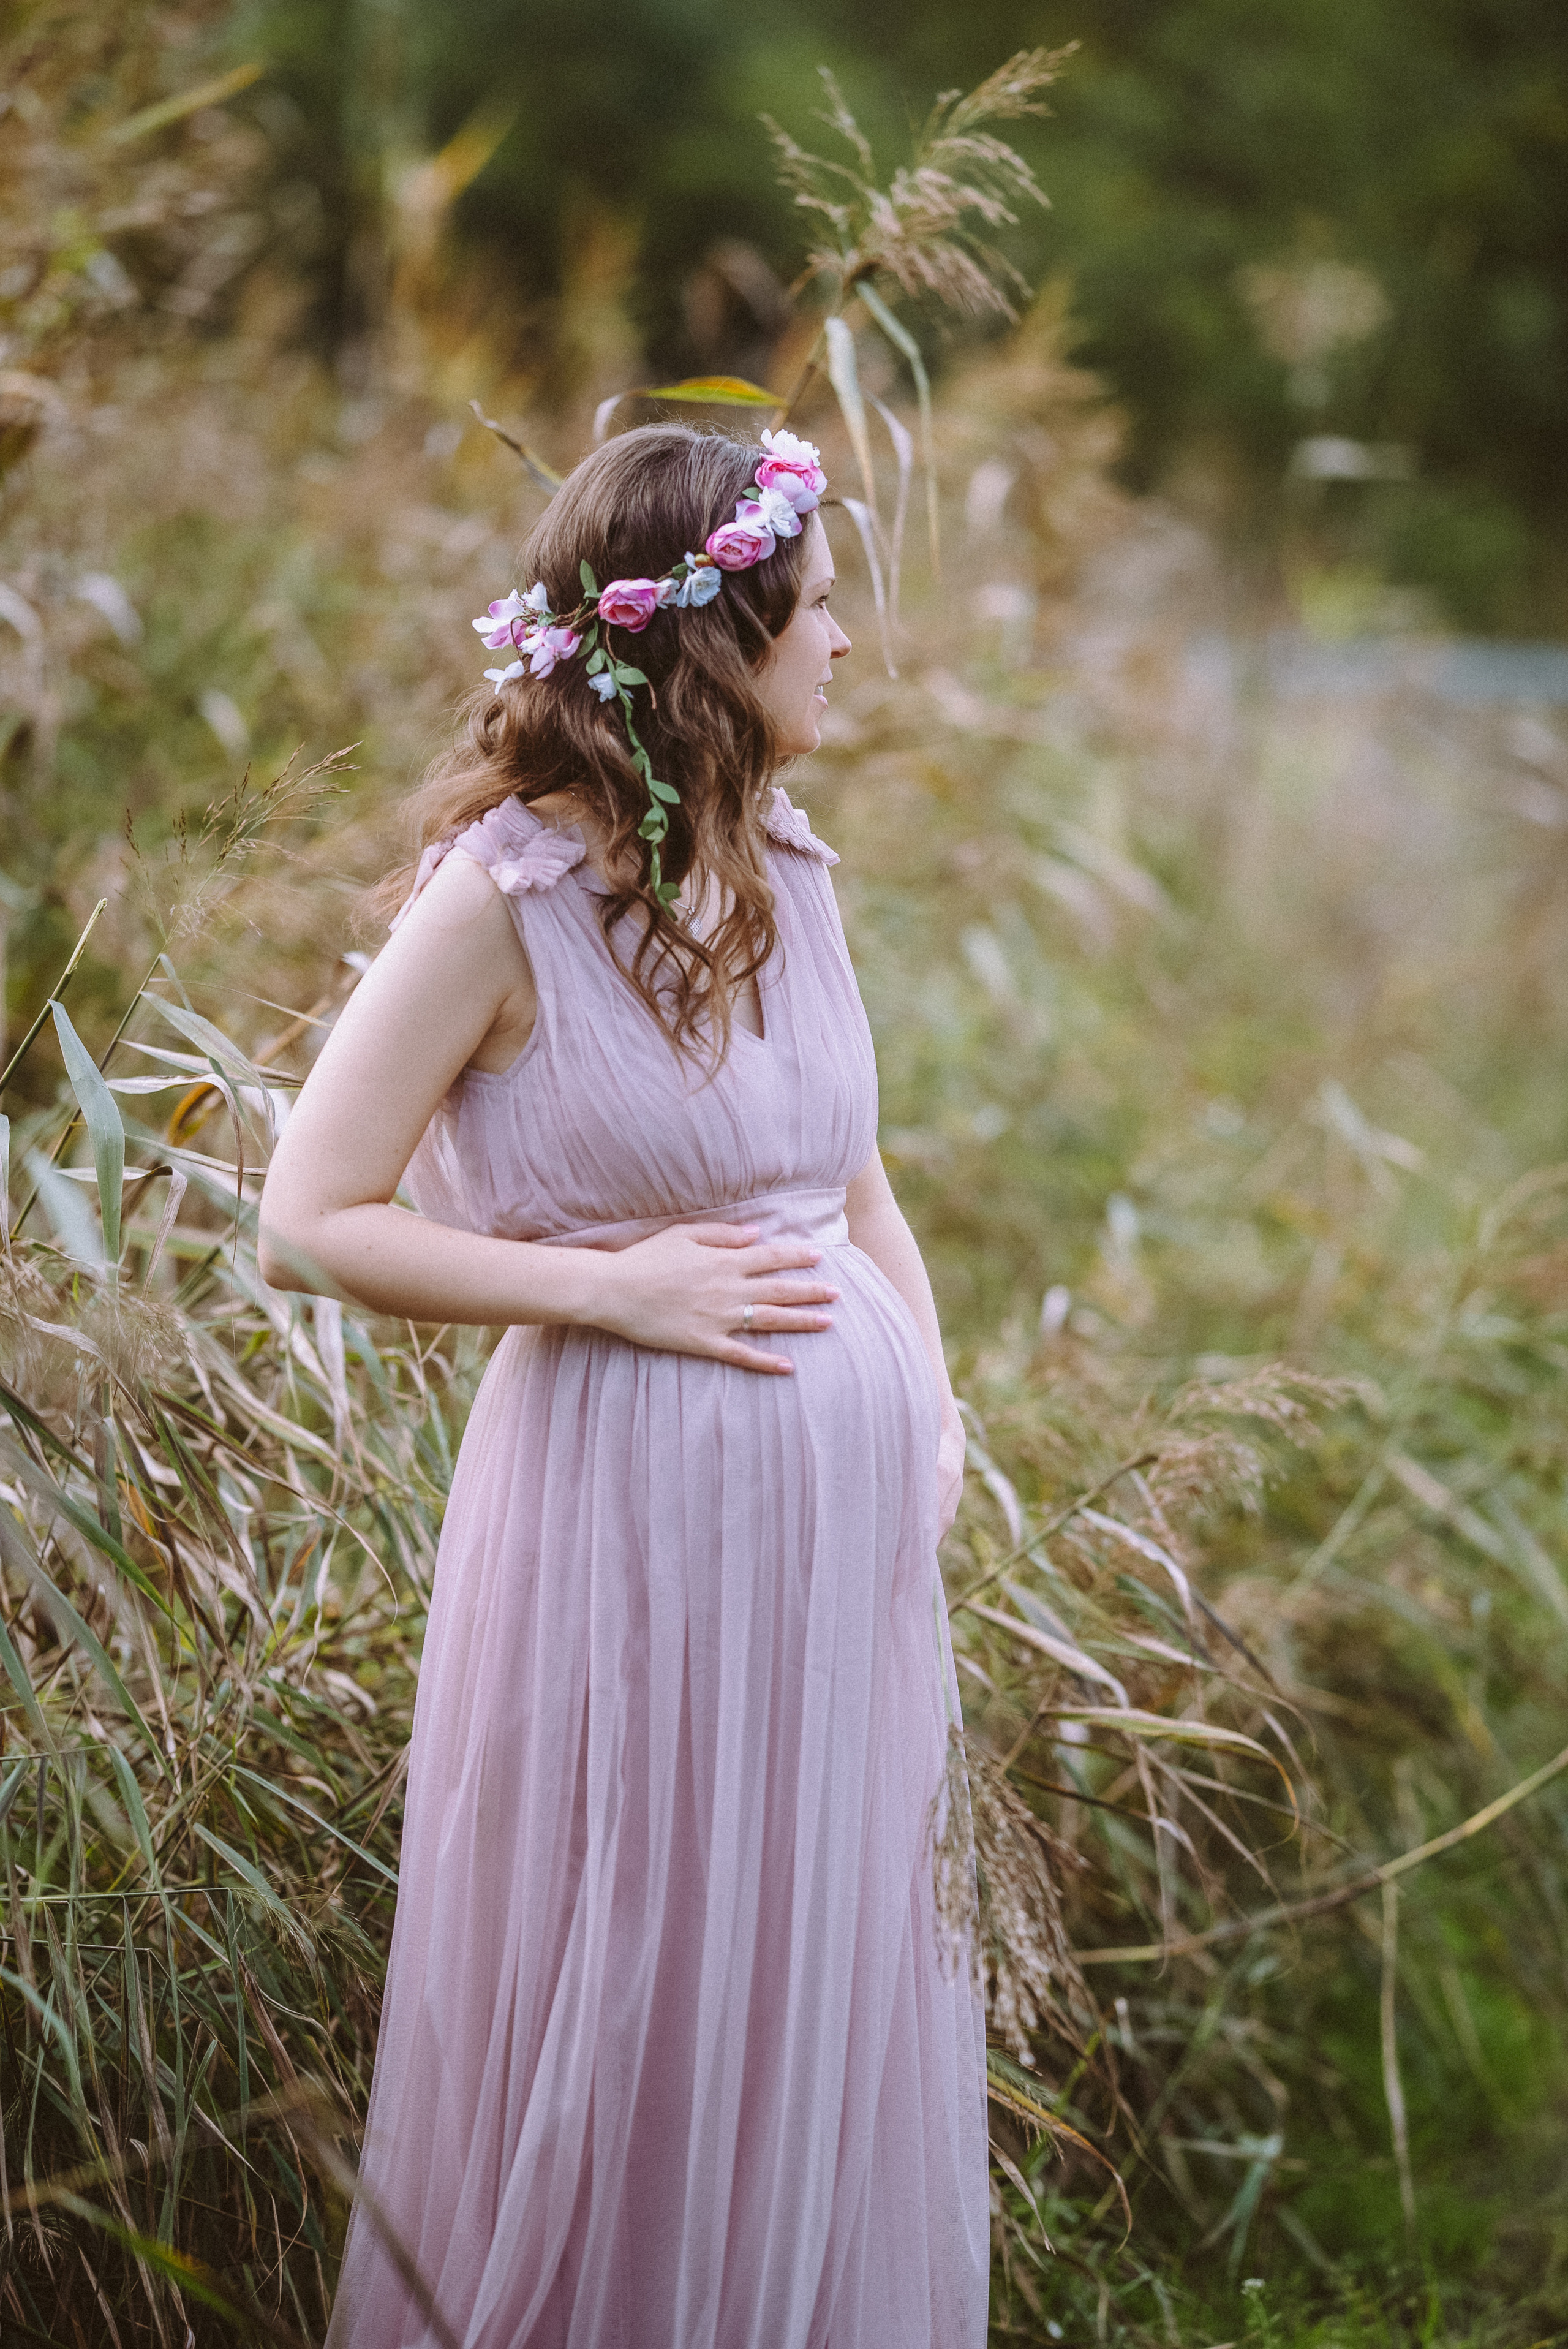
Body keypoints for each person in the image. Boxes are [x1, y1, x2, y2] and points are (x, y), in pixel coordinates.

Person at [258, 422, 989, 2348]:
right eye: (818, 609)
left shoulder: (793, 872)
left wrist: (927, 1405)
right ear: (713, 641)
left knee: (811, 1972)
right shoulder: (495, 906)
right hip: (628, 1541)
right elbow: (306, 1215)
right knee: (642, 1975)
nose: (845, 645)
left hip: (839, 1573)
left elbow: (854, 1185)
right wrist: (605, 1285)